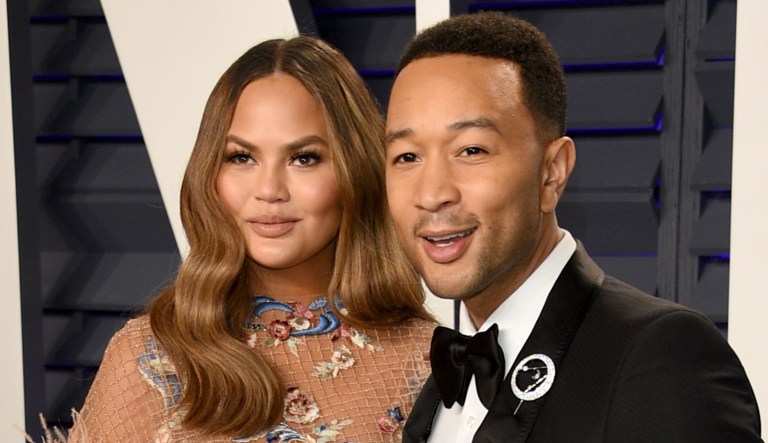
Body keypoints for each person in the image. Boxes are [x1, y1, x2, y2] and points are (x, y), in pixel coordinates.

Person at [384, 11, 762, 442]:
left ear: (552, 173)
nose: (432, 194)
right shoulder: (441, 382)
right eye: (407, 157)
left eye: (471, 150)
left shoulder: (661, 356)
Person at [66, 35, 435, 442]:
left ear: (355, 170)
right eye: (242, 158)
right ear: (210, 172)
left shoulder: (430, 360)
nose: (269, 189)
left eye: (303, 158)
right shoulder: (149, 355)